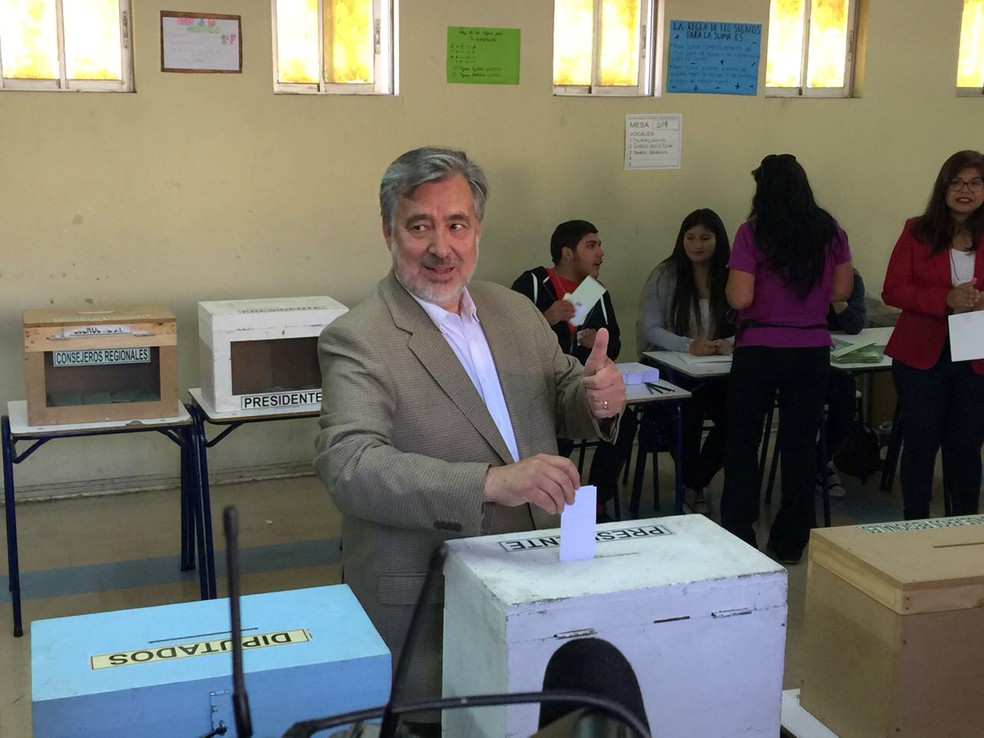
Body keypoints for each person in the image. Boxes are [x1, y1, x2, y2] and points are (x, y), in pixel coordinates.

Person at [314, 147, 625, 735]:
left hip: (538, 584)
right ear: (388, 232)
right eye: (419, 226)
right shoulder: (357, 338)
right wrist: (491, 483)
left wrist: (596, 397)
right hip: (434, 605)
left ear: (477, 228)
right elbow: (349, 465)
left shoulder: (513, 311)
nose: (441, 246)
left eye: (456, 224)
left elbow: (561, 391)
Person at [721, 154, 854, 565]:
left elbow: (740, 297)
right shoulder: (830, 231)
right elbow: (841, 292)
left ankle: (740, 536)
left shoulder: (752, 232)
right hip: (811, 350)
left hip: (759, 348)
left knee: (743, 444)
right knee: (799, 447)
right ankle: (791, 540)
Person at [882, 149, 984, 520]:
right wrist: (945, 298)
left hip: (976, 356)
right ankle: (915, 524)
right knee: (921, 444)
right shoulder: (917, 230)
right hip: (922, 355)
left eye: (975, 183)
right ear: (943, 187)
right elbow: (893, 289)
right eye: (956, 182)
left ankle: (965, 525)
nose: (965, 190)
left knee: (966, 446)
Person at [511, 220, 629, 519]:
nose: (600, 252)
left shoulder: (595, 292)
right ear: (567, 253)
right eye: (591, 245)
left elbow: (613, 343)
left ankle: (599, 497)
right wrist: (546, 317)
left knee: (622, 423)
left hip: (584, 382)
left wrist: (596, 340)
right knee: (553, 427)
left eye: (599, 245)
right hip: (540, 385)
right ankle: (553, 500)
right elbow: (509, 336)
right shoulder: (535, 283)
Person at [638, 208, 733, 515]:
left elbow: (749, 324)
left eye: (705, 238)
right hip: (672, 370)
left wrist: (730, 343)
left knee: (740, 414)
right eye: (690, 237)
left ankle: (695, 480)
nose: (697, 244)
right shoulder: (666, 274)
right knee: (685, 414)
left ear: (718, 240)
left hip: (718, 373)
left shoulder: (732, 275)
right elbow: (650, 329)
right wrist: (688, 345)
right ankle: (692, 484)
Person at [821, 268, 867, 498]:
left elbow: (856, 324)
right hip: (799, 359)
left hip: (834, 363)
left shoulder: (851, 279)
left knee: (846, 396)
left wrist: (838, 301)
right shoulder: (797, 276)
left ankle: (821, 458)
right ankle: (806, 462)